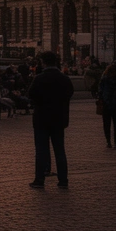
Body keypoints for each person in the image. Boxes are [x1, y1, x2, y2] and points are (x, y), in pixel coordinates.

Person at [28, 51, 74, 189]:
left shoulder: (39, 78)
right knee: (59, 150)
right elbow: (69, 94)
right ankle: (63, 180)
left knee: (41, 150)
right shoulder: (64, 78)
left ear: (44, 62)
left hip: (41, 118)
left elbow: (31, 95)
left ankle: (39, 179)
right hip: (59, 118)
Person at [98, 63, 116, 148]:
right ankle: (112, 142)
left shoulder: (105, 79)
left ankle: (112, 142)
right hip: (112, 104)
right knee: (114, 124)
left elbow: (100, 91)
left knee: (111, 124)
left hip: (109, 104)